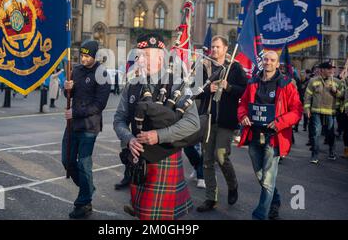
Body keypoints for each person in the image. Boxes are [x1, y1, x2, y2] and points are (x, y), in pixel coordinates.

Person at [113, 32, 200, 220]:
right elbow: (119, 119)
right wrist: (128, 139)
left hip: (165, 157)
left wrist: (159, 135)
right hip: (139, 159)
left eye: (146, 56)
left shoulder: (177, 84)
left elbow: (193, 122)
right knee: (144, 214)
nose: (140, 60)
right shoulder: (132, 85)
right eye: (138, 55)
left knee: (159, 218)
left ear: (161, 57)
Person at [237, 50, 302, 220]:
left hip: (274, 137)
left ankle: (259, 215)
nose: (268, 62)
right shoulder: (253, 81)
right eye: (265, 59)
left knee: (267, 180)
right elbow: (243, 104)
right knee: (261, 176)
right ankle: (276, 200)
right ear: (262, 61)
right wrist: (243, 116)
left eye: (272, 60)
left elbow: (297, 111)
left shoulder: (286, 83)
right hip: (253, 135)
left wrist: (280, 122)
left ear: (277, 63)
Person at [196, 35, 247, 212]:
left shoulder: (235, 67)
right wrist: (206, 89)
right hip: (208, 118)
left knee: (221, 156)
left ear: (226, 49)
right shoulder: (203, 66)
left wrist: (229, 87)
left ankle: (232, 185)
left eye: (218, 47)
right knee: (207, 160)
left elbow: (244, 91)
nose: (215, 50)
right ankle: (211, 197)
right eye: (213, 46)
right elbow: (193, 90)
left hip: (226, 121)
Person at [62, 40, 111, 219]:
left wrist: (75, 112)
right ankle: (88, 189)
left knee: (84, 164)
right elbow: (70, 94)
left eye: (87, 56)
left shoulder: (102, 74)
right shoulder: (76, 70)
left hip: (89, 127)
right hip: (72, 125)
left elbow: (99, 105)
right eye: (82, 55)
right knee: (67, 161)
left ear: (95, 56)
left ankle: (83, 202)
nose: (83, 59)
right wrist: (67, 88)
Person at [304, 61, 343, 164]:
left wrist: (335, 91)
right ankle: (314, 155)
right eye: (328, 69)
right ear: (322, 70)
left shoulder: (337, 82)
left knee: (330, 133)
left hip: (330, 112)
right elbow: (307, 97)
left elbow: (343, 96)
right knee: (316, 133)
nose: (331, 70)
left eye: (332, 69)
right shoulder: (313, 81)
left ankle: (332, 151)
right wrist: (307, 109)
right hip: (316, 112)